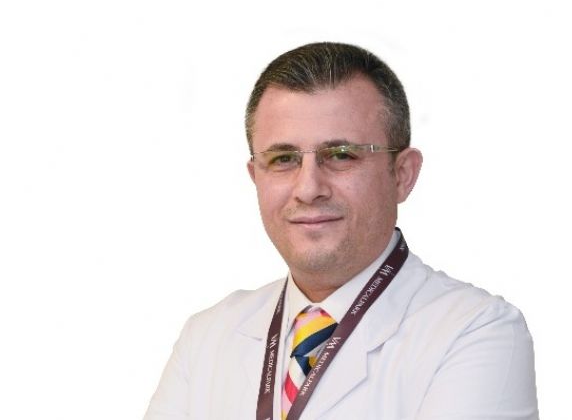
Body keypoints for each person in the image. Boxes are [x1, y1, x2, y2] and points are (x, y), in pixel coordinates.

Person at [144, 42, 538, 420]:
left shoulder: (477, 330)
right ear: (256, 177)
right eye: (283, 159)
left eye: (341, 155)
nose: (308, 188)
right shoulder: (206, 337)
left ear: (402, 175)